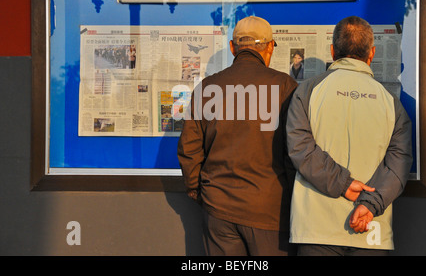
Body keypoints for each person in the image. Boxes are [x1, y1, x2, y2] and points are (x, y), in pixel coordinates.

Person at [286, 16, 413, 256]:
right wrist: (369, 204)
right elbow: (400, 161)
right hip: (371, 229)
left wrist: (344, 184)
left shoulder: (307, 91)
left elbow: (300, 147)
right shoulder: (390, 103)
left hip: (316, 230)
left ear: (333, 51)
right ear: (372, 53)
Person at [177, 16, 298, 256]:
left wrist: (197, 191)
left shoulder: (207, 88)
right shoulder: (285, 86)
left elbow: (189, 148)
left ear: (233, 48)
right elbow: (295, 150)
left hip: (218, 207)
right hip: (269, 212)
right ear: (270, 47)